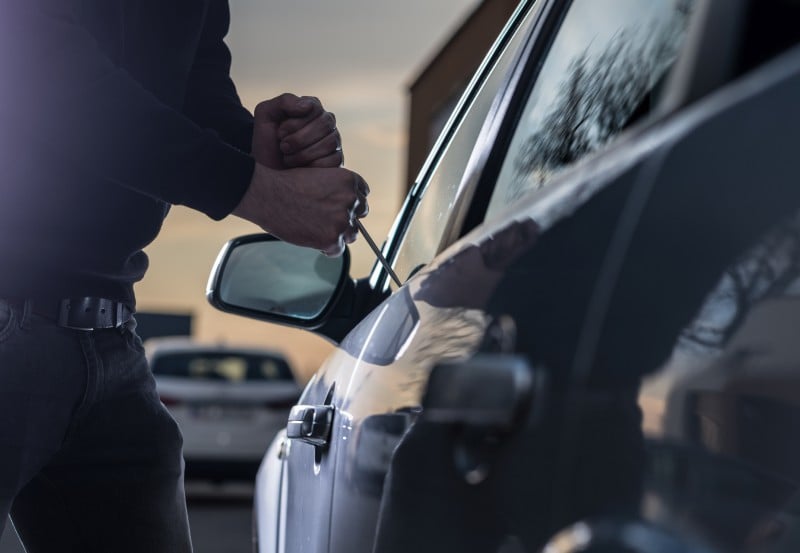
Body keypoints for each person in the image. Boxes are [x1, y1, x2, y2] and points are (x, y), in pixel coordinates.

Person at [0, 1, 369, 551]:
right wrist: (260, 192)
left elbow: (192, 92)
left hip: (110, 334)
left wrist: (260, 150)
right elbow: (45, 74)